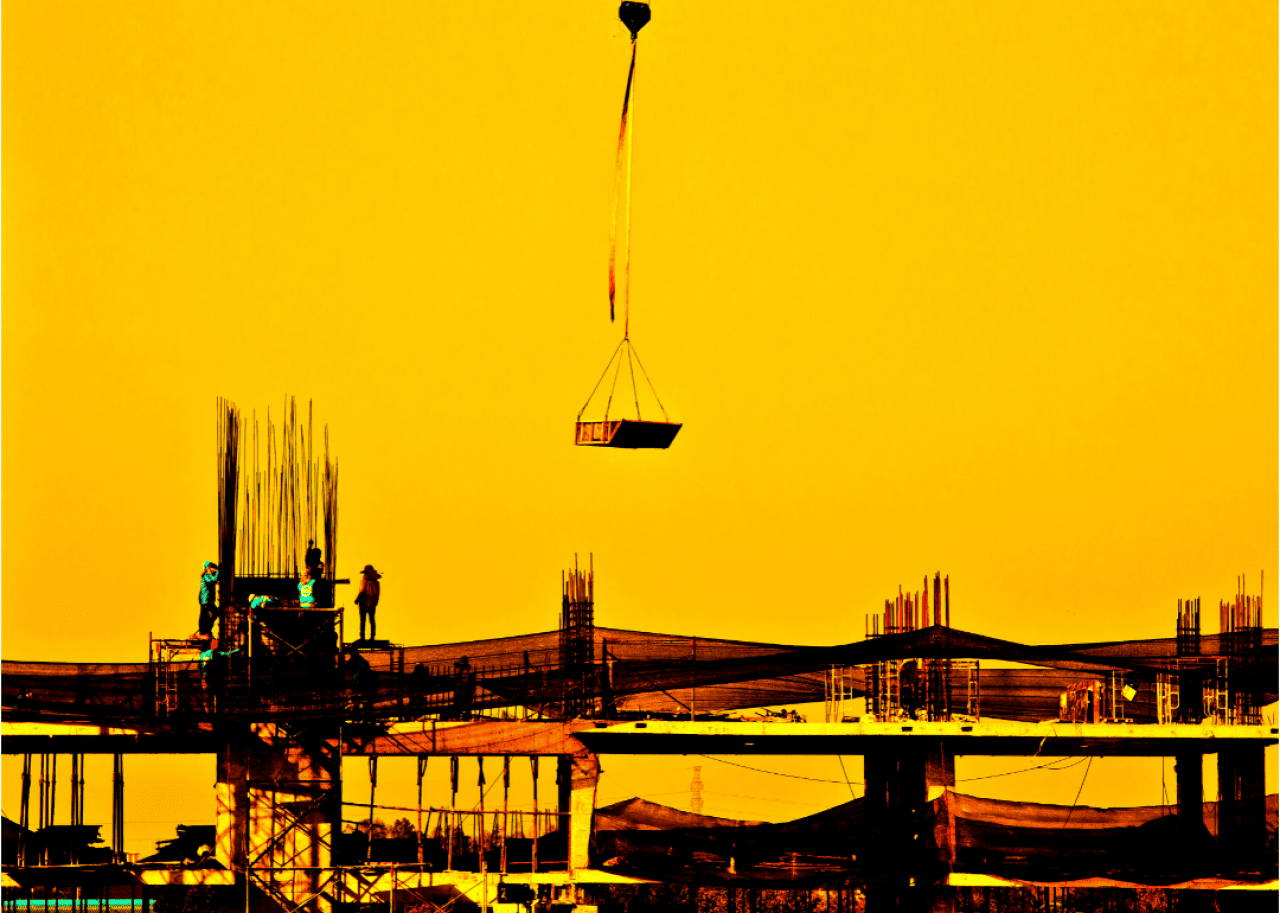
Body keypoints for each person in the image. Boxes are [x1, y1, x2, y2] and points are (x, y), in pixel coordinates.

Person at [355, 565, 382, 641]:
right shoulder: (376, 583)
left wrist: (357, 599)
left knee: (363, 621)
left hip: (364, 604)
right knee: (371, 620)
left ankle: (362, 637)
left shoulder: (366, 582)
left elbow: (362, 592)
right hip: (372, 604)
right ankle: (372, 636)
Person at [197, 561, 220, 639]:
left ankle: (205, 631)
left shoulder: (206, 576)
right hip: (206, 600)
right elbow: (214, 579)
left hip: (206, 600)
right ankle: (206, 630)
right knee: (214, 613)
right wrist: (218, 571)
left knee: (205, 615)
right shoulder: (207, 577)